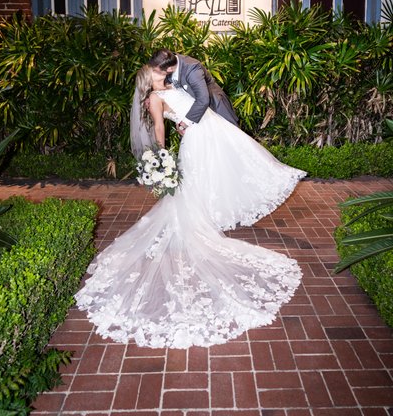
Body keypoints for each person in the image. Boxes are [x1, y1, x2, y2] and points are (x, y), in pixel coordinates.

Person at [75, 65, 306, 349]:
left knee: (222, 172)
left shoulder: (170, 86)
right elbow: (159, 125)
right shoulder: (154, 99)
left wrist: (183, 123)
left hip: (207, 131)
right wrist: (160, 155)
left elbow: (193, 104)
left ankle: (207, 213)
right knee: (196, 180)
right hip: (197, 139)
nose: (161, 72)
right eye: (156, 72)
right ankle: (197, 220)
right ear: (150, 80)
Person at [148, 49, 239, 133]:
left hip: (214, 107)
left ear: (169, 69)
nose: (157, 73)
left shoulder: (192, 69)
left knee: (231, 140)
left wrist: (185, 122)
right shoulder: (170, 63)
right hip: (198, 112)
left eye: (158, 71)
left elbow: (203, 99)